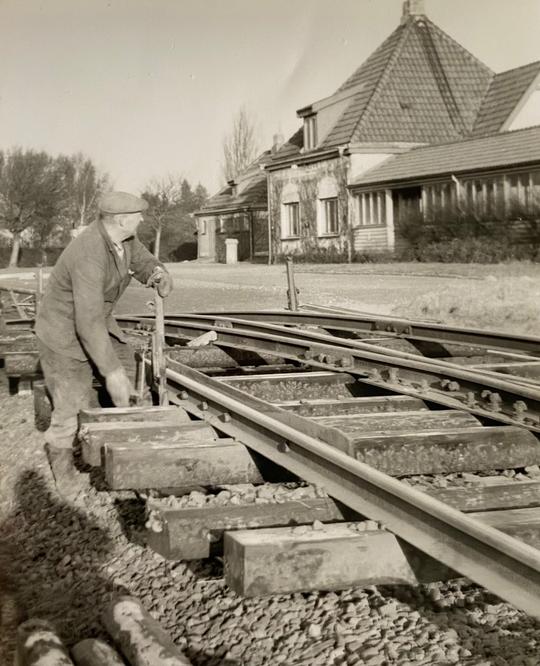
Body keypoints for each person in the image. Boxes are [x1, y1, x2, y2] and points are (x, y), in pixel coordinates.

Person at [35, 191, 173, 491]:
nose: (142, 218)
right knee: (71, 403)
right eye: (138, 214)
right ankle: (63, 468)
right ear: (122, 219)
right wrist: (111, 372)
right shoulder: (89, 252)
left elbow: (144, 262)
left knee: (136, 374)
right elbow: (86, 321)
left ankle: (128, 447)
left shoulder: (124, 240)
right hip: (62, 333)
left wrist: (159, 275)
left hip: (97, 322)